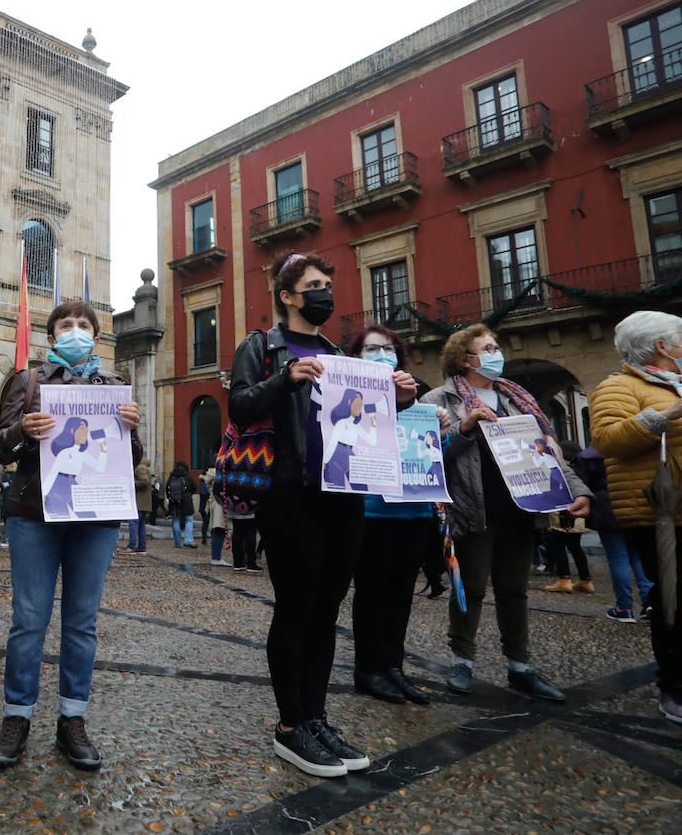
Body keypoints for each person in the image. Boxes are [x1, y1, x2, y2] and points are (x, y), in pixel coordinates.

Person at [229, 252, 417, 779]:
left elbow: (361, 422)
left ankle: (316, 718)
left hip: (346, 493)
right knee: (296, 608)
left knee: (328, 610)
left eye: (328, 284)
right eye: (313, 285)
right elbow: (239, 405)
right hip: (290, 493)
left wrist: (397, 400)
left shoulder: (342, 354)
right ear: (288, 297)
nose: (325, 292)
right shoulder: (262, 346)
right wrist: (286, 378)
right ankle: (290, 728)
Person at [0, 299, 142, 772]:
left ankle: (73, 718)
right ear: (52, 338)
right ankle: (17, 716)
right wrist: (22, 430)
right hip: (35, 513)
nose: (76, 331)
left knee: (82, 622)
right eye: (66, 325)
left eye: (84, 326)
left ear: (96, 337)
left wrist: (131, 432)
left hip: (95, 519)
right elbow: (0, 445)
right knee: (29, 619)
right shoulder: (29, 381)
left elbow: (129, 459)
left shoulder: (115, 387)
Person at [422, 324, 590, 703]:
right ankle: (462, 660)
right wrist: (464, 429)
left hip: (520, 508)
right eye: (488, 347)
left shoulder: (518, 399)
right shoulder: (440, 399)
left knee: (514, 590)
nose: (497, 353)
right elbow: (430, 459)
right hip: (473, 510)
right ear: (466, 359)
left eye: (496, 346)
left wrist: (576, 490)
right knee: (472, 589)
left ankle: (521, 666)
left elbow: (547, 449)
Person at [589, 310, 682, 723]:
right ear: (662, 346)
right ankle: (674, 686)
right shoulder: (620, 386)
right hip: (662, 510)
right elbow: (609, 439)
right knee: (673, 601)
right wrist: (668, 415)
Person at [347, 325, 440, 706]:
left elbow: (434, 458)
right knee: (372, 593)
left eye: (388, 349)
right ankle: (368, 669)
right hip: (372, 512)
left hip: (415, 511)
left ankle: (394, 667)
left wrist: (446, 434)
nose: (383, 354)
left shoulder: (418, 403)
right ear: (356, 358)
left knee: (402, 594)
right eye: (372, 348)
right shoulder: (351, 399)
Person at [575, 443, 651, 622]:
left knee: (618, 559)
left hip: (605, 509)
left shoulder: (588, 456)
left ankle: (624, 607)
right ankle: (650, 602)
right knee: (638, 556)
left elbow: (581, 484)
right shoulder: (630, 446)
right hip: (633, 505)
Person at [543, 440, 594, 593]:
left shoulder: (560, 467)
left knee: (557, 545)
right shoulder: (581, 467)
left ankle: (564, 579)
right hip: (578, 512)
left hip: (562, 510)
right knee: (576, 547)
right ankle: (586, 580)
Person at [165, 461, 197, 548]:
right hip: (187, 503)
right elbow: (195, 488)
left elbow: (167, 489)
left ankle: (178, 542)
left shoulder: (172, 477)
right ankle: (188, 540)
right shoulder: (188, 477)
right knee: (189, 521)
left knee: (176, 521)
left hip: (174, 503)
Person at [204, 466, 230, 567]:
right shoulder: (220, 473)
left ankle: (216, 557)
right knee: (219, 529)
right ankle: (216, 557)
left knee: (217, 530)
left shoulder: (211, 474)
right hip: (219, 505)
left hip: (215, 504)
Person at [130, 460, 152, 553]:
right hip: (144, 502)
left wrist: (131, 483)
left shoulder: (140, 468)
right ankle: (142, 546)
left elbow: (144, 482)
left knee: (133, 523)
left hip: (139, 502)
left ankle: (131, 546)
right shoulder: (144, 468)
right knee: (141, 525)